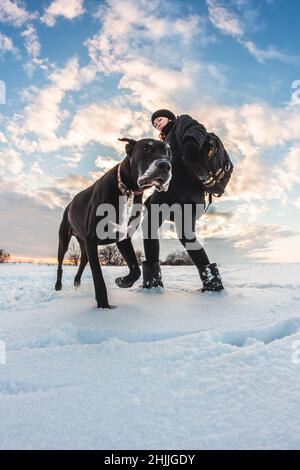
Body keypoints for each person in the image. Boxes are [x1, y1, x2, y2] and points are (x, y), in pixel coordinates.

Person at [141, 108, 224, 292]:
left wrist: (191, 142)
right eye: (155, 124)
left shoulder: (181, 123)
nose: (157, 125)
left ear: (169, 118)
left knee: (148, 226)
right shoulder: (166, 141)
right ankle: (212, 281)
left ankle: (153, 280)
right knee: (186, 236)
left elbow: (198, 128)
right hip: (189, 195)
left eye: (159, 120)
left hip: (179, 189)